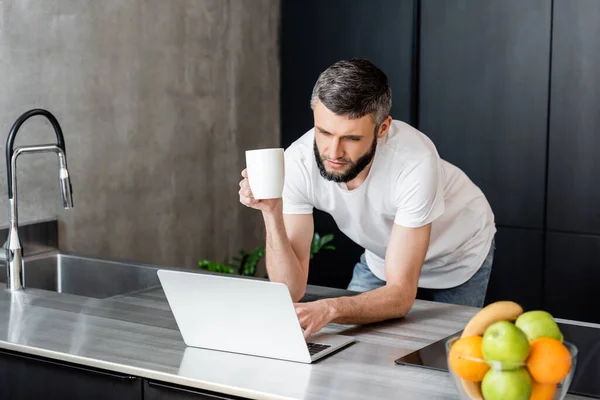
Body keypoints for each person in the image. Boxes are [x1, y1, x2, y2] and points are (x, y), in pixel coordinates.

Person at [239, 59, 496, 339]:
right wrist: (272, 212)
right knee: (350, 346)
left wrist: (331, 308)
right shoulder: (298, 162)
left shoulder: (415, 163)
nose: (333, 152)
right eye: (324, 132)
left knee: (451, 356)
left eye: (351, 138)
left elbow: (400, 294)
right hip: (384, 256)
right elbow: (290, 290)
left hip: (457, 255)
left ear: (383, 128)